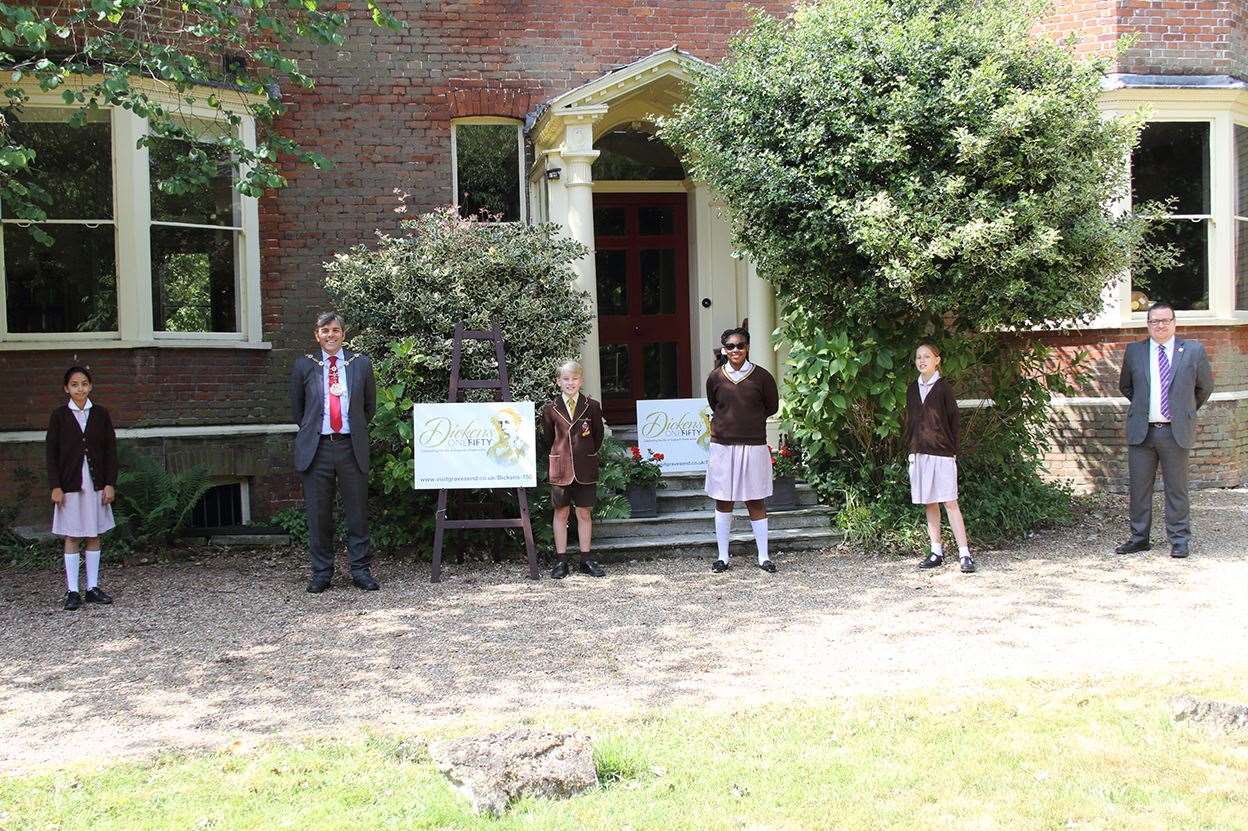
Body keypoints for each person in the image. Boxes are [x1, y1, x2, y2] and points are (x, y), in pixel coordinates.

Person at [1115, 302, 1214, 559]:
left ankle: (1179, 540)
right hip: (1142, 432)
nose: (1160, 325)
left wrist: (1183, 410)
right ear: (1148, 324)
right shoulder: (1135, 351)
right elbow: (1126, 386)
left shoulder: (1192, 350)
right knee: (1139, 488)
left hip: (1174, 431)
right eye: (1155, 321)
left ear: (1174, 322)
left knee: (1177, 488)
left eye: (1165, 320)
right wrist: (1145, 407)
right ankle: (1139, 539)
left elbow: (1204, 388)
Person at [290, 312, 379, 592]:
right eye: (325, 330)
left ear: (344, 334)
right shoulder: (305, 366)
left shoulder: (360, 364)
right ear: (317, 335)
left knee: (357, 512)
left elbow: (369, 408)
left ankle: (360, 570)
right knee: (319, 514)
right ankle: (321, 572)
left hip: (350, 446)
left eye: (336, 330)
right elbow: (298, 410)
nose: (331, 335)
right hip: (318, 448)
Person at [704, 327, 779, 573]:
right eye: (731, 346)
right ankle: (723, 557)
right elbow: (714, 404)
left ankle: (763, 557)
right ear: (724, 350)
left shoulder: (762, 377)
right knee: (723, 500)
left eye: (741, 345)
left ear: (747, 347)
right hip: (723, 446)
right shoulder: (715, 377)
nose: (736, 350)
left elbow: (771, 406)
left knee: (755, 500)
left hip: (753, 444)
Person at [46, 366, 118, 611]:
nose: (80, 388)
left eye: (84, 383)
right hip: (69, 485)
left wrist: (109, 483)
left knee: (93, 534)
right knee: (72, 535)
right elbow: (51, 454)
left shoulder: (101, 414)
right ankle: (73, 590)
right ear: (67, 388)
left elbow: (110, 451)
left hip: (95, 484)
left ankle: (93, 587)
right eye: (75, 384)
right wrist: (55, 486)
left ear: (91, 386)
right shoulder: (59, 416)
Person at [904, 343, 974, 573]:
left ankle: (964, 553)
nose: (922, 360)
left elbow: (954, 420)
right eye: (918, 357)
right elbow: (910, 421)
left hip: (942, 453)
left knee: (950, 502)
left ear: (937, 360)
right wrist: (911, 447)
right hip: (919, 452)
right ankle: (936, 551)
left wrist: (952, 449)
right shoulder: (912, 389)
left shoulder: (943, 388)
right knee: (929, 502)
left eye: (927, 356)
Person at [540, 360, 606, 579]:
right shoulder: (550, 409)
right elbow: (548, 438)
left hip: (585, 468)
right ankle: (561, 561)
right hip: (560, 469)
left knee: (584, 512)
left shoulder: (592, 406)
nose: (570, 383)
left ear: (582, 380)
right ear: (558, 381)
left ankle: (585, 559)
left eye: (575, 379)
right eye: (566, 379)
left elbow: (598, 437)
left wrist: (583, 454)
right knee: (561, 512)